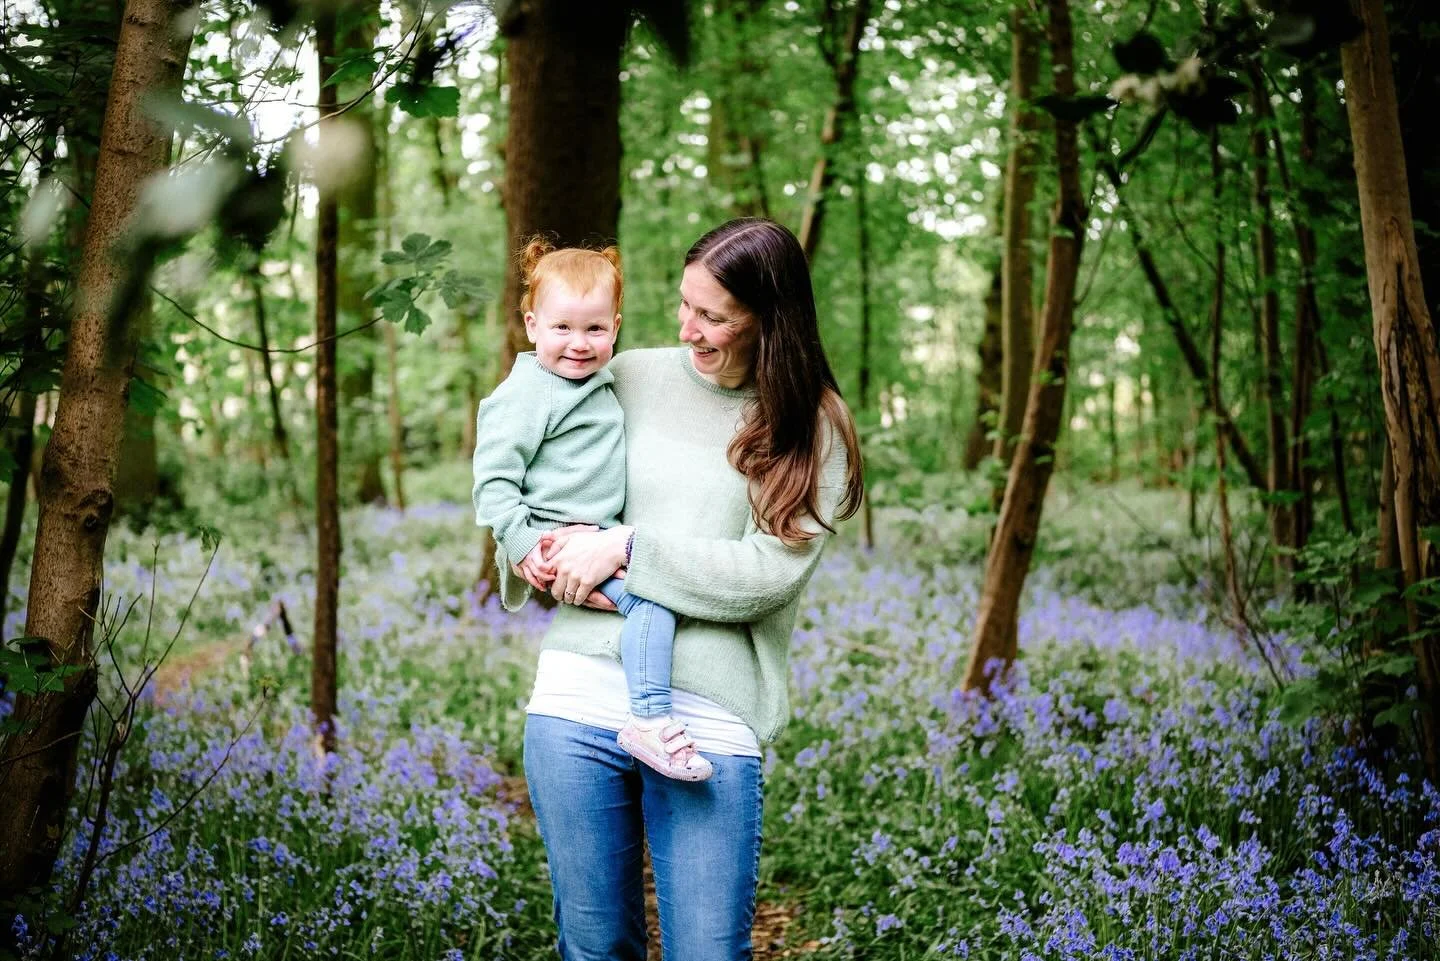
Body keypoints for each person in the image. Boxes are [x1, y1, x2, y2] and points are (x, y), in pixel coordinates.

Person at [520, 218, 864, 961]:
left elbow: (768, 573)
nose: (687, 328)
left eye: (713, 316)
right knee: (594, 946)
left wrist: (629, 547)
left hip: (707, 717)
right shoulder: (627, 376)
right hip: (578, 695)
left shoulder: (812, 426)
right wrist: (530, 549)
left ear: (769, 320)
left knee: (708, 951)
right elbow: (533, 472)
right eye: (684, 304)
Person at [472, 238, 714, 781]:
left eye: (595, 329)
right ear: (532, 326)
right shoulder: (527, 392)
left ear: (616, 327)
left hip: (595, 537)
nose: (579, 344)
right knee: (653, 603)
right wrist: (523, 544)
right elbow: (492, 482)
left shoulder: (597, 382)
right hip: (555, 540)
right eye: (562, 327)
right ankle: (649, 720)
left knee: (657, 600)